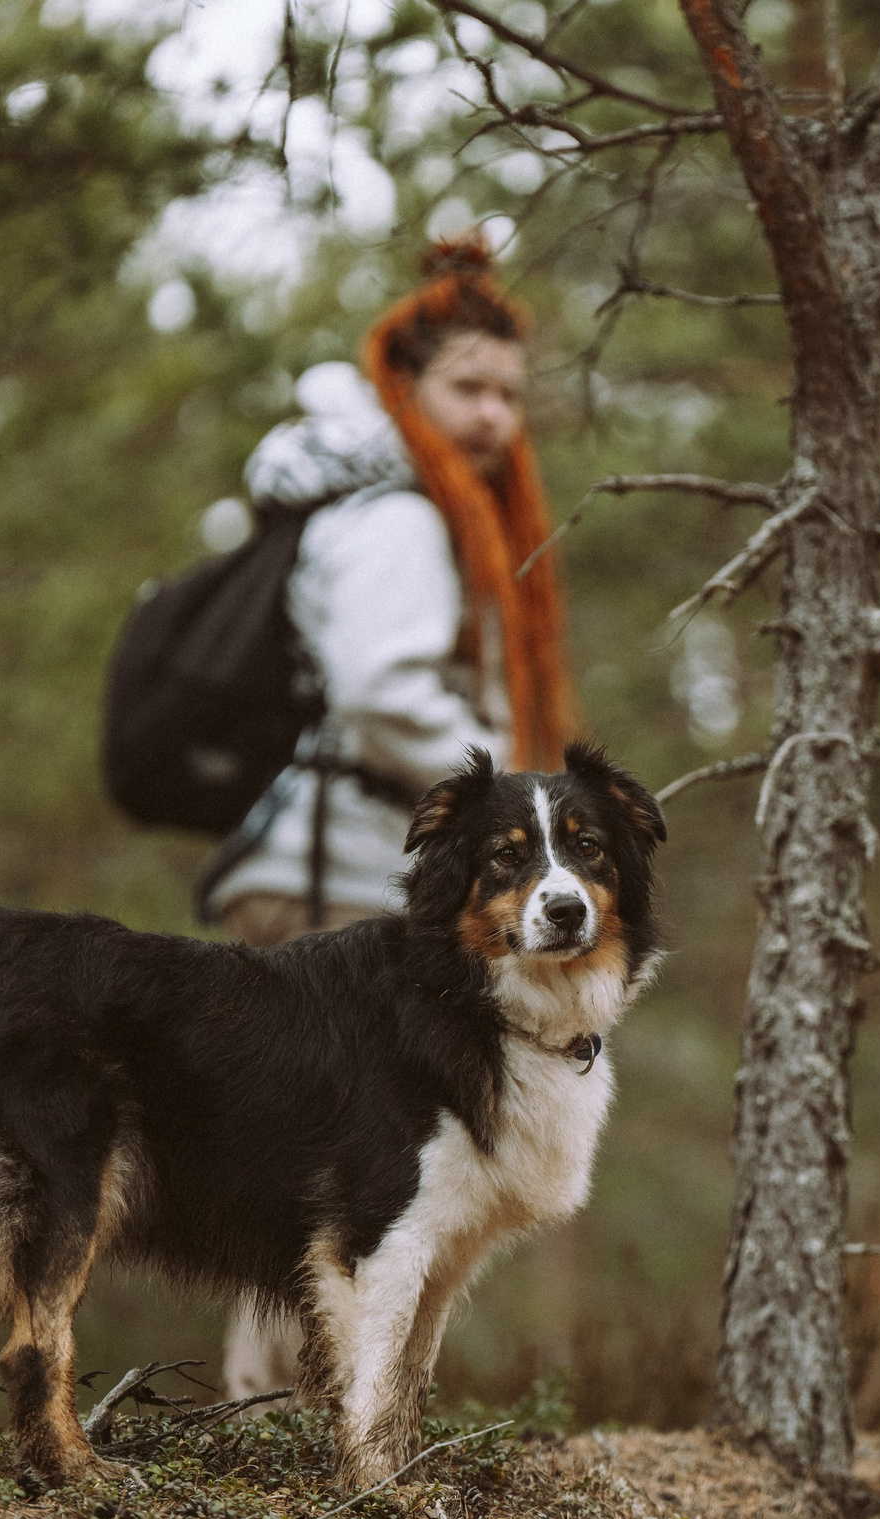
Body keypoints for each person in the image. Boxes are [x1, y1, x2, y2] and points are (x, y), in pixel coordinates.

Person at [202, 237, 578, 1399]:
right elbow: (380, 692)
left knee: (336, 1174)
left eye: (511, 393)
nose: (494, 418)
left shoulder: (413, 508)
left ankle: (305, 1420)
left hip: (350, 867)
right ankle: (286, 1425)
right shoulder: (400, 518)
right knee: (337, 1179)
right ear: (401, 388)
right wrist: (516, 794)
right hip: (340, 878)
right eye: (468, 388)